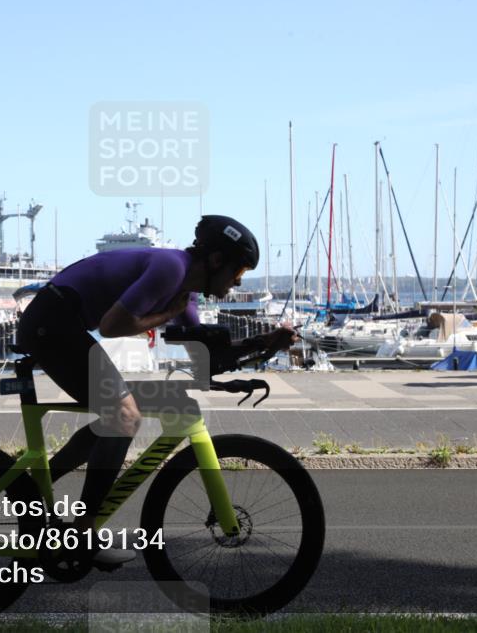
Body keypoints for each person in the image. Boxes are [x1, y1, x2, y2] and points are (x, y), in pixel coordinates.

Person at [15, 215, 297, 565]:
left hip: (60, 324)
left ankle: (30, 490)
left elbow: (204, 356)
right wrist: (165, 316)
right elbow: (112, 326)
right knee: (124, 415)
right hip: (52, 322)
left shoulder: (185, 292)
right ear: (216, 260)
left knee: (119, 413)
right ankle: (83, 536)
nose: (238, 282)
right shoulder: (170, 268)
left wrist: (264, 343)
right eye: (238, 271)